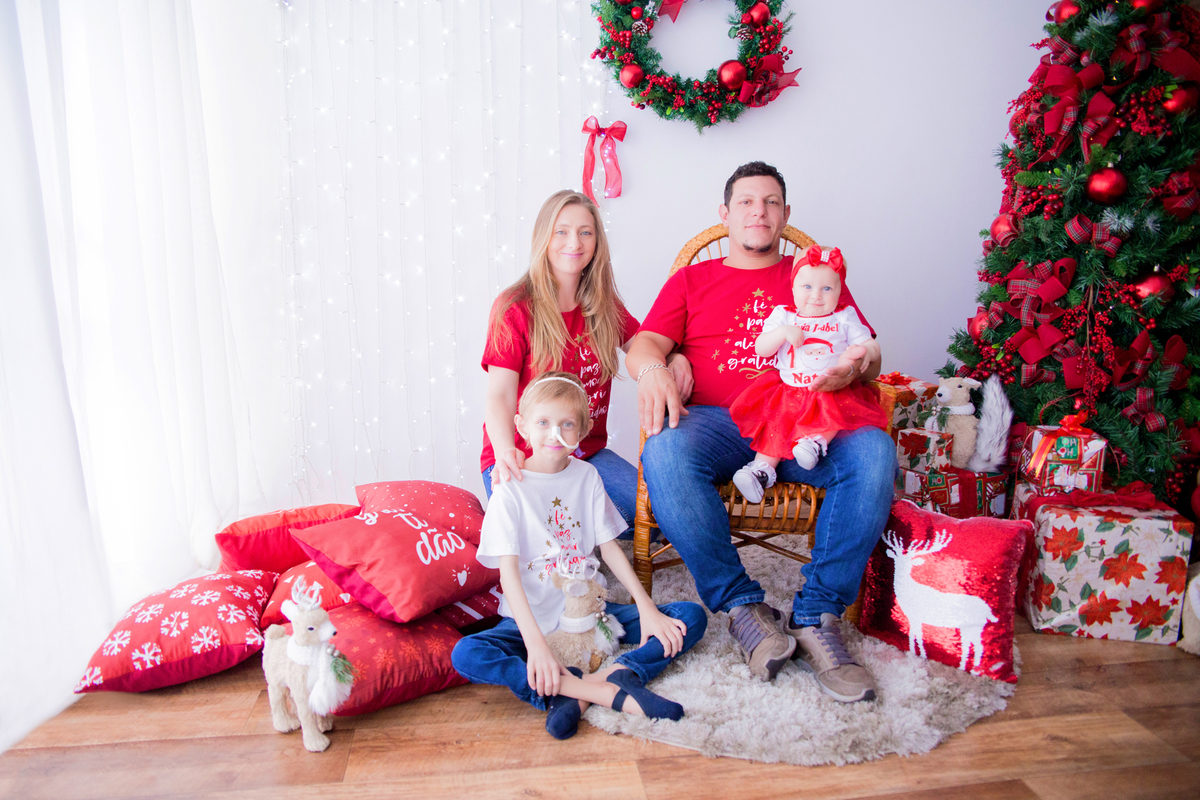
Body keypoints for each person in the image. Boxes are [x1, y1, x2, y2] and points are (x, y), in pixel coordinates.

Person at [624, 162, 894, 702]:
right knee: (666, 450)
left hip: (805, 425)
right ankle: (742, 607)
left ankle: (817, 613)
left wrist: (856, 368)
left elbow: (870, 347)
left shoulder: (813, 275)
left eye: (771, 202)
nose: (759, 211)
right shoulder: (691, 280)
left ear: (786, 214)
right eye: (746, 202)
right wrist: (657, 367)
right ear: (725, 214)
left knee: (874, 451)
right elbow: (642, 345)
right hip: (718, 426)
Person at [452, 373, 707, 740]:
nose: (554, 434)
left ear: (582, 430)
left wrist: (647, 608)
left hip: (591, 615)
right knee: (468, 654)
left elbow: (609, 549)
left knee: (688, 618)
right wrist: (537, 647)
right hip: (531, 623)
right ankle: (587, 690)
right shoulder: (509, 490)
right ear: (521, 427)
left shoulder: (587, 476)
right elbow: (507, 575)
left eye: (566, 424)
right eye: (543, 423)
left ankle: (617, 675)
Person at [480, 189, 691, 527]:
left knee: (655, 523)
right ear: (544, 238)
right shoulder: (514, 307)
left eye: (585, 232)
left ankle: (582, 526)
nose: (574, 242)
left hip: (585, 456)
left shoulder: (603, 304)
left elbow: (645, 343)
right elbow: (499, 395)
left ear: (596, 242)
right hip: (525, 455)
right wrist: (506, 452)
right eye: (561, 231)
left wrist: (675, 357)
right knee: (543, 545)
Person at [729, 244, 888, 502]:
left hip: (829, 387)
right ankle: (760, 470)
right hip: (788, 390)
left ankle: (815, 442)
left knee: (834, 408)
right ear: (793, 288)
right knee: (776, 426)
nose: (816, 296)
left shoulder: (844, 317)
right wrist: (781, 333)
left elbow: (868, 342)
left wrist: (867, 350)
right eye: (807, 287)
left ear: (839, 291)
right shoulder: (784, 316)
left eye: (827, 288)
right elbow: (761, 349)